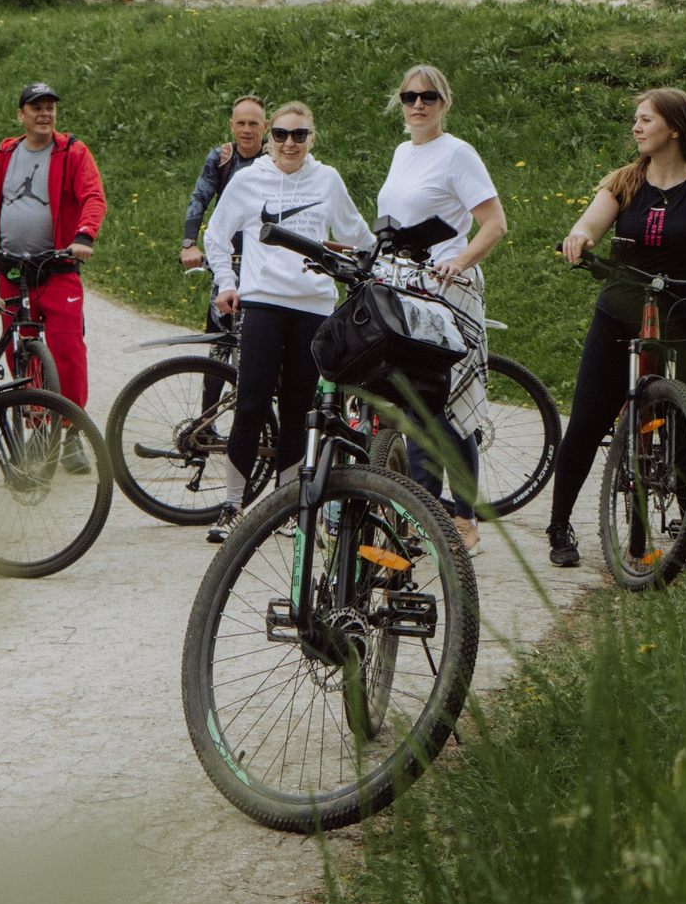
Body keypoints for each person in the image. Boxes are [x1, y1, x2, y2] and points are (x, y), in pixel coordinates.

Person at [551, 88, 686, 571]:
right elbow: (590, 225)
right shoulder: (622, 183)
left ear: (674, 129)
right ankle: (559, 525)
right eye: (636, 120)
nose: (636, 128)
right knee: (587, 421)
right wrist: (579, 237)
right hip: (621, 309)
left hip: (684, 314)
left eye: (646, 120)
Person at [202, 101, 374, 541]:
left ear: (312, 138)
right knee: (251, 403)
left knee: (299, 409)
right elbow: (216, 234)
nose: (289, 144)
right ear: (269, 137)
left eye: (299, 135)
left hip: (313, 307)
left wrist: (381, 264)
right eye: (280, 134)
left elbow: (359, 236)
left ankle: (286, 508)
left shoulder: (327, 179)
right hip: (261, 304)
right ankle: (232, 505)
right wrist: (225, 281)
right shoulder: (248, 179)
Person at [374, 64, 509, 553]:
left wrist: (459, 261)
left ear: (444, 103)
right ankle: (419, 514)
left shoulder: (457, 154)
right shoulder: (402, 153)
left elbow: (494, 224)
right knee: (416, 406)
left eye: (428, 97)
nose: (417, 105)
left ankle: (464, 518)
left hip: (445, 295)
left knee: (450, 406)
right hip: (404, 292)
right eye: (410, 96)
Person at [0, 81, 106, 472]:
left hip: (57, 267)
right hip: (11, 269)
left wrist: (83, 236)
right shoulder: (6, 153)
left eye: (50, 107)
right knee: (19, 351)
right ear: (21, 115)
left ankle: (72, 430)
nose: (44, 114)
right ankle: (39, 425)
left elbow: (93, 196)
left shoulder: (72, 151)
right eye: (36, 107)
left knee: (67, 351)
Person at [179, 95, 270, 270]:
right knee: (222, 297)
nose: (246, 130)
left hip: (266, 256)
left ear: (265, 126)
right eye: (241, 123)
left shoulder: (275, 159)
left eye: (253, 124)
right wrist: (189, 244)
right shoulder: (221, 158)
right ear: (231, 125)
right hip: (227, 256)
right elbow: (199, 198)